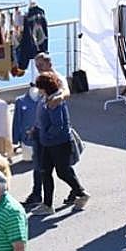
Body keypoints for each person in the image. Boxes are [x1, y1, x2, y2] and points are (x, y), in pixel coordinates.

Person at [32, 71, 90, 215]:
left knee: (63, 172)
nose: (38, 90)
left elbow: (59, 125)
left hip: (58, 143)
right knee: (45, 172)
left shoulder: (54, 103)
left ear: (44, 88)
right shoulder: (45, 99)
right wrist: (36, 130)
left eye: (39, 87)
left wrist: (46, 134)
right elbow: (42, 119)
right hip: (47, 143)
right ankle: (47, 205)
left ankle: (81, 193)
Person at [22, 53, 70, 211]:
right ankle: (38, 195)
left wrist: (58, 97)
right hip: (41, 129)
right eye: (36, 66)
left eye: (41, 65)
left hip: (51, 134)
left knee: (60, 168)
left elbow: (66, 91)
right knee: (42, 166)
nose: (38, 68)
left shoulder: (57, 78)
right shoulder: (41, 79)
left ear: (49, 64)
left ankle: (77, 190)